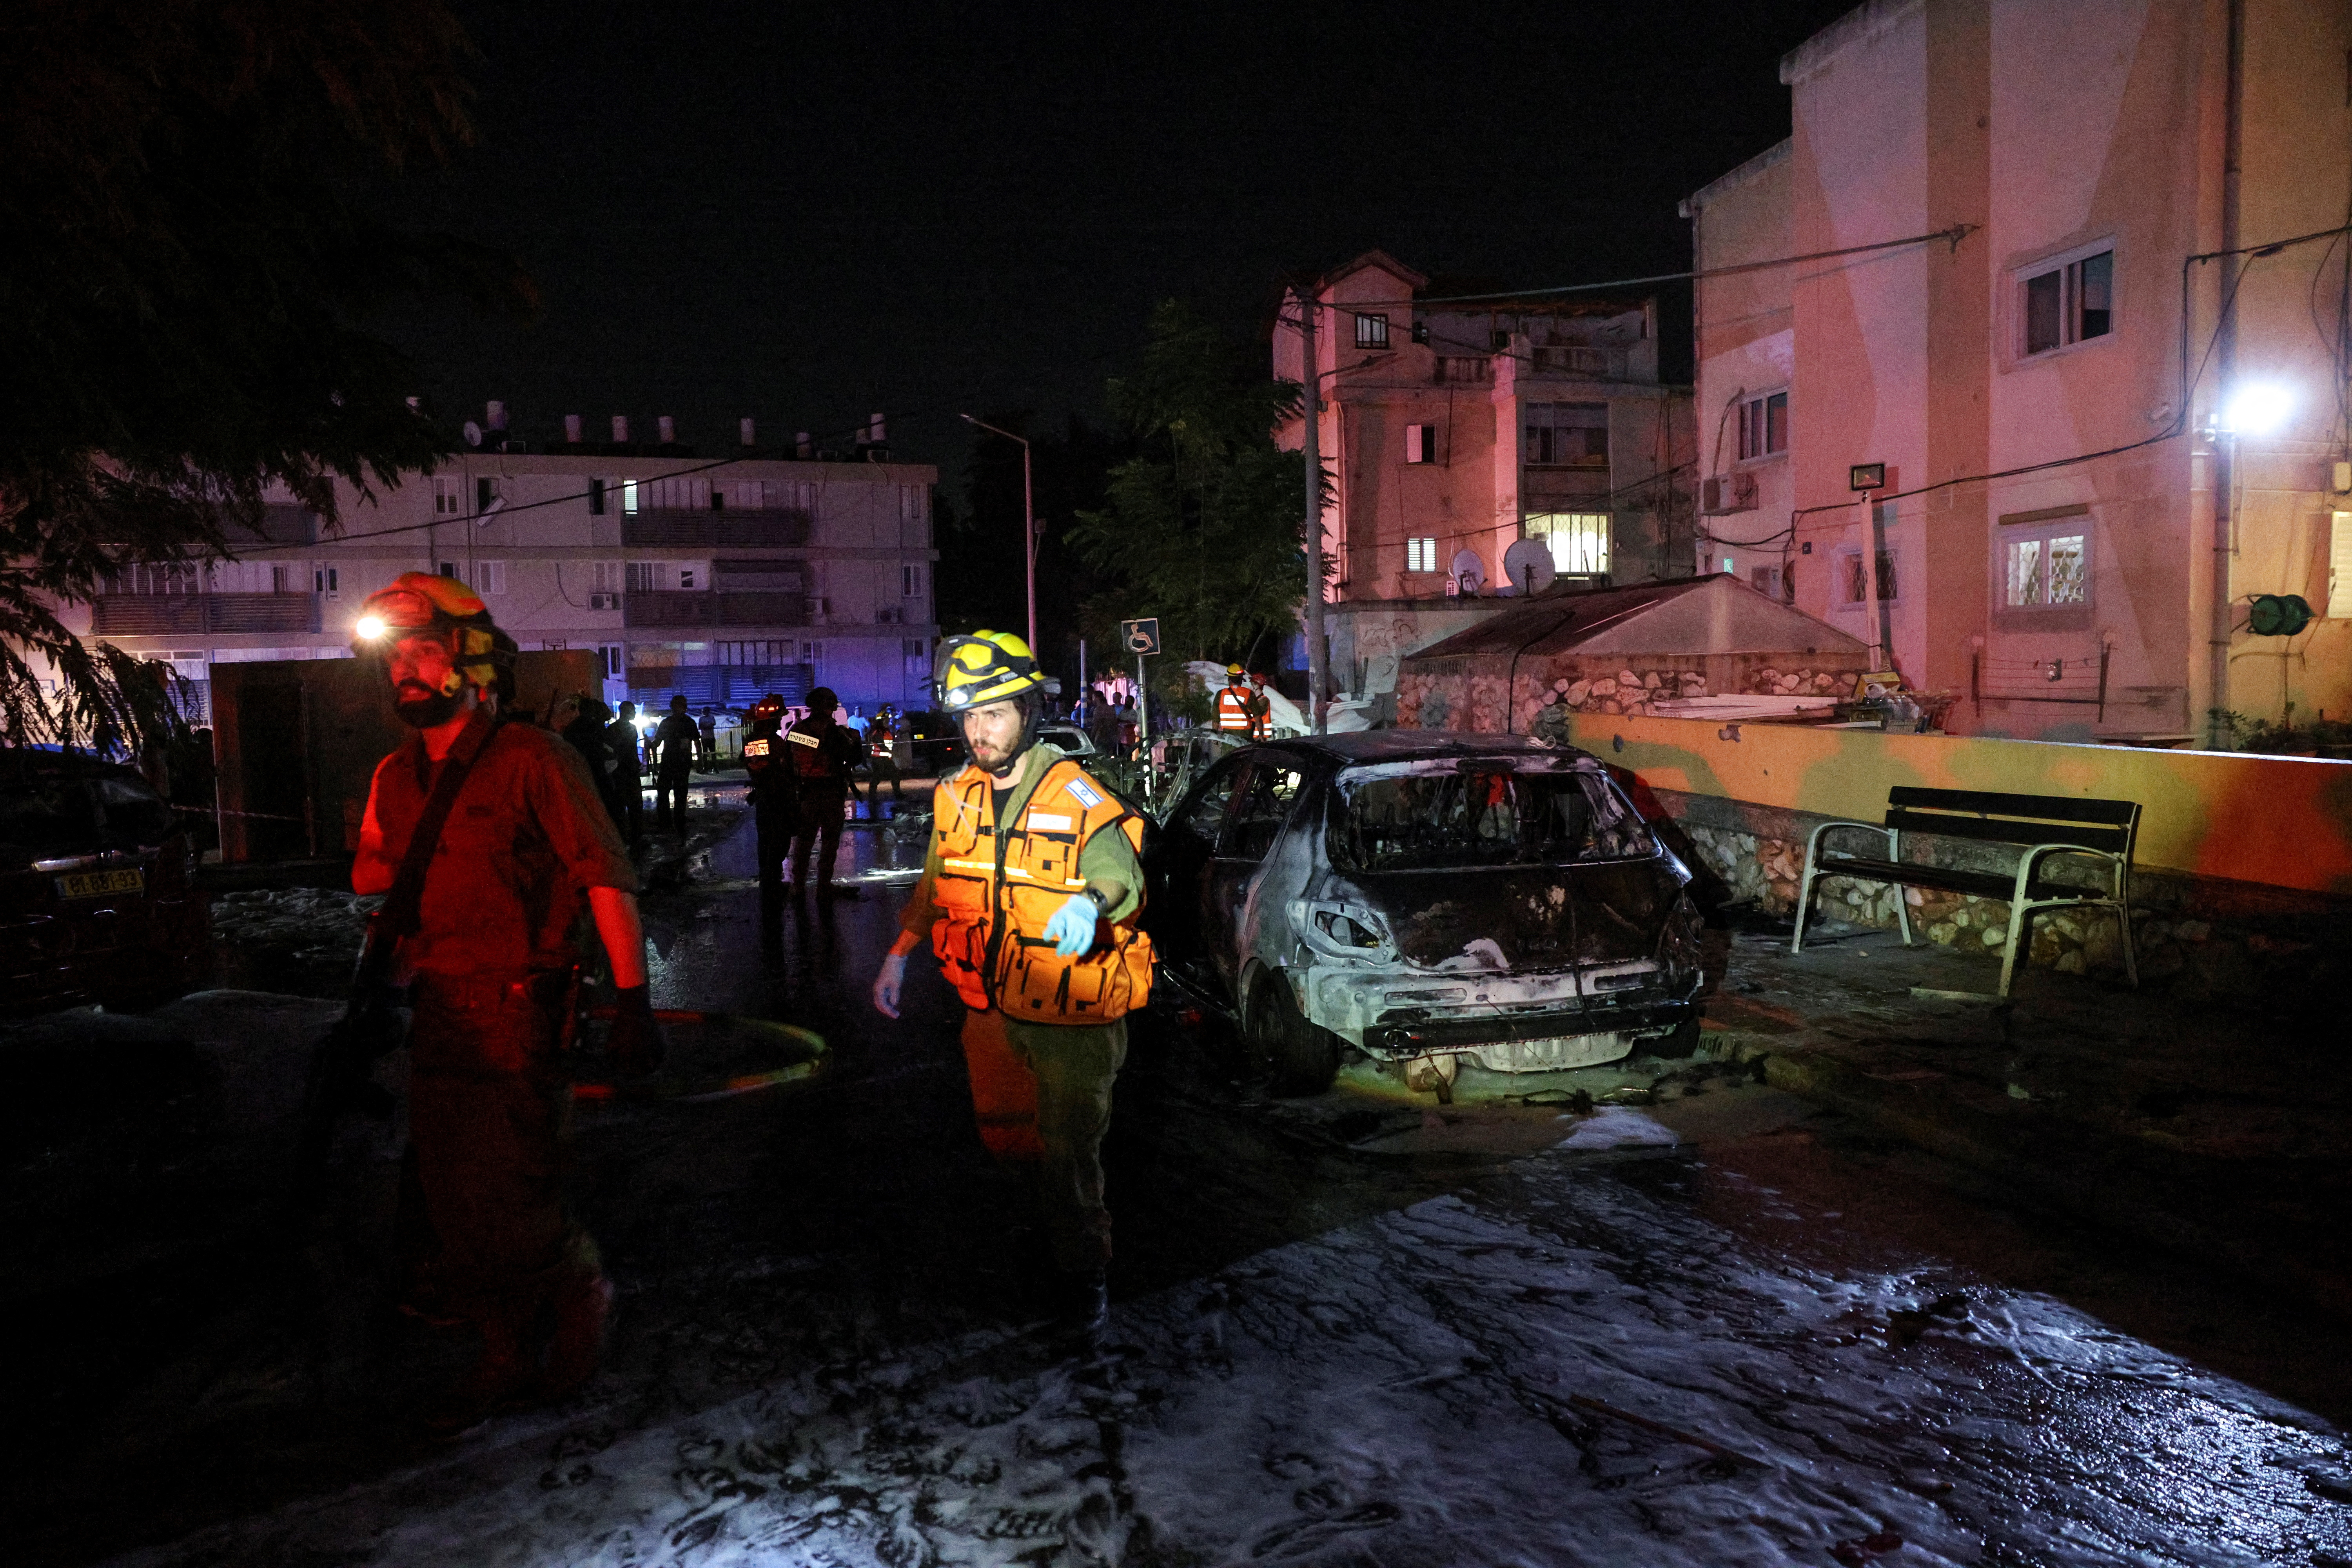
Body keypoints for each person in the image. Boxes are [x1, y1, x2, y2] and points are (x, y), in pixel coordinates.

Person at [348, 572, 662, 1436]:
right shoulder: (394, 775)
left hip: (520, 1013)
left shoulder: (534, 759)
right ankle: (500, 1346)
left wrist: (633, 1002)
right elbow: (385, 893)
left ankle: (577, 1294)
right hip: (440, 1017)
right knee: (452, 1198)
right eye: (395, 658)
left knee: (517, 1192)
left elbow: (605, 876)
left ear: (469, 663)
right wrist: (377, 998)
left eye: (423, 652)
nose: (405, 672)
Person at [871, 630, 1152, 1330]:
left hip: (1070, 1013)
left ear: (1027, 711)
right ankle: (1042, 1234)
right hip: (989, 1007)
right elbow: (940, 882)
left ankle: (1084, 1272)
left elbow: (1124, 872)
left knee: (1069, 1151)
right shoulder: (956, 796)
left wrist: (1092, 904)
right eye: (969, 717)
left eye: (994, 713)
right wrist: (899, 951)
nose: (980, 731)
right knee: (1007, 1138)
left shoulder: (1078, 792)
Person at [782, 684, 866, 897]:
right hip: (829, 791)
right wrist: (855, 741)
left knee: (805, 841)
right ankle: (823, 886)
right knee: (829, 841)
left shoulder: (797, 731)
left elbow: (788, 762)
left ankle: (798, 886)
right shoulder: (836, 734)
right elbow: (854, 759)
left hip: (806, 791)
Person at [742, 693, 796, 918]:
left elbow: (754, 768)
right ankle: (773, 885)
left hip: (764, 799)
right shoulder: (775, 743)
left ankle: (768, 882)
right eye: (778, 718)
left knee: (765, 841)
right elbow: (781, 771)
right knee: (779, 842)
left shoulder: (752, 743)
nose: (780, 722)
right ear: (772, 720)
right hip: (778, 799)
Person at [652, 693, 700, 834]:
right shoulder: (680, 723)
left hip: (678, 762)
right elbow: (658, 741)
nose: (675, 708)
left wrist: (700, 760)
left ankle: (672, 819)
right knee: (668, 791)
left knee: (675, 791)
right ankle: (671, 819)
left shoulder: (679, 723)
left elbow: (697, 742)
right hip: (675, 761)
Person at [603, 701, 645, 842]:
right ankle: (635, 837)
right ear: (626, 712)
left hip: (618, 771)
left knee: (620, 805)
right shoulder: (630, 728)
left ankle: (622, 835)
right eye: (633, 710)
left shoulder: (612, 728)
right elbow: (629, 750)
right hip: (628, 770)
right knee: (635, 805)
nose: (634, 713)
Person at [1213, 663, 1257, 735]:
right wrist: (1261, 736)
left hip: (1227, 737)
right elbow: (1257, 717)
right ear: (1242, 680)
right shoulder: (1249, 694)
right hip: (1245, 737)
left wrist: (1215, 738)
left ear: (1229, 680)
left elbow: (1215, 720)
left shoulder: (1220, 694)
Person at [697, 707, 717, 771]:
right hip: (704, 738)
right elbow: (700, 727)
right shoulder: (701, 718)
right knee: (704, 753)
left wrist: (705, 726)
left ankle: (714, 768)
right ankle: (705, 768)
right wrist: (708, 726)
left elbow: (713, 724)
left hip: (711, 737)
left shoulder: (712, 717)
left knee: (713, 753)